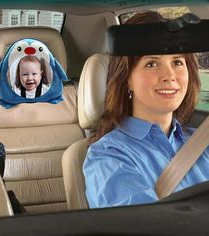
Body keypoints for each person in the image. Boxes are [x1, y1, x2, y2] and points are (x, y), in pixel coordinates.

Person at [83, 11, 209, 208]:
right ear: (126, 79)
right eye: (151, 63)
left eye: (177, 62)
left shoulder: (203, 142)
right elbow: (140, 225)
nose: (169, 76)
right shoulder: (108, 155)